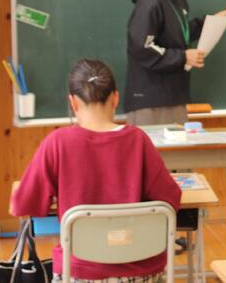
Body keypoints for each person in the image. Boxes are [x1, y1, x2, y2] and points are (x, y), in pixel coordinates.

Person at [11, 59, 181, 282]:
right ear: (116, 98)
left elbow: (23, 205)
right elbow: (171, 198)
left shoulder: (57, 142)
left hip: (79, 272)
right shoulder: (138, 140)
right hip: (140, 271)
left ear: (73, 102)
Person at [124, 0, 226, 125]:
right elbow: (143, 48)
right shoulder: (150, 0)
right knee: (155, 146)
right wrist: (183, 57)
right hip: (151, 101)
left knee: (176, 145)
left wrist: (210, 23)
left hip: (173, 96)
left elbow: (178, 34)